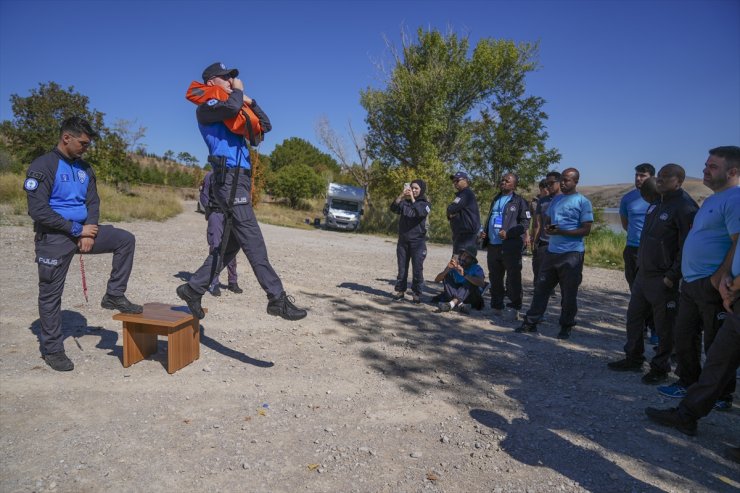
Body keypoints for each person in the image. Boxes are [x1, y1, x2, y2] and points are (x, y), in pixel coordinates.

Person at [176, 62, 306, 321]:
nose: (230, 81)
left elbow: (266, 126)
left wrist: (251, 100)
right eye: (225, 78)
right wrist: (239, 93)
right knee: (252, 237)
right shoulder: (206, 108)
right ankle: (276, 298)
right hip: (229, 179)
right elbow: (232, 106)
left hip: (241, 179)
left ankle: (192, 288)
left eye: (232, 78)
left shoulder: (232, 104)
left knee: (231, 245)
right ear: (211, 81)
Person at [24, 117, 143, 372]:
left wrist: (88, 233)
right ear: (66, 138)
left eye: (87, 144)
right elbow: (38, 210)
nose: (86, 148)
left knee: (125, 240)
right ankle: (53, 349)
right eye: (83, 143)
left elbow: (93, 203)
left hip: (84, 232)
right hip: (54, 237)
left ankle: (114, 294)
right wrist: (76, 229)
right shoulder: (43, 165)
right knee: (50, 296)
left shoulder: (85, 169)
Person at [657, 146, 739, 409]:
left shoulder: (735, 198)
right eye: (705, 165)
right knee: (684, 335)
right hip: (692, 281)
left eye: (712, 166)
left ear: (733, 171)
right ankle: (687, 382)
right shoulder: (712, 198)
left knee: (715, 344)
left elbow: (737, 242)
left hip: (712, 284)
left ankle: (721, 395)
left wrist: (721, 275)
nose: (704, 170)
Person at [644, 241, 739, 464]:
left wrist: (734, 285)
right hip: (735, 294)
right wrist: (727, 276)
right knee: (719, 358)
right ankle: (687, 415)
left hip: (735, 289)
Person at [607, 164, 698, 384]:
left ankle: (660, 367)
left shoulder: (685, 207)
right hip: (643, 274)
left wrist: (672, 275)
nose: (661, 180)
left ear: (679, 181)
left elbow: (687, 245)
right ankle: (633, 357)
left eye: (667, 177)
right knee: (634, 318)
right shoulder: (656, 203)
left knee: (664, 325)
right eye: (661, 176)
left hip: (663, 278)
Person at [517, 168, 593, 339]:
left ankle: (566, 326)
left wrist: (562, 231)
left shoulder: (582, 202)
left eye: (568, 180)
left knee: (568, 293)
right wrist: (550, 230)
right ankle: (531, 322)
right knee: (541, 289)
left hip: (572, 254)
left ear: (576, 182)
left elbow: (586, 229)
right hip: (552, 252)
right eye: (563, 180)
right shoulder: (556, 201)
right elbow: (549, 223)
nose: (564, 183)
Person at [480, 173, 530, 313]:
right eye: (502, 180)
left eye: (507, 181)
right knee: (495, 276)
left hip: (510, 246)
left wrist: (509, 233)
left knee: (513, 276)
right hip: (493, 245)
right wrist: (485, 233)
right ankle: (497, 305)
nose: (503, 182)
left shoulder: (519, 201)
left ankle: (515, 305)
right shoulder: (496, 199)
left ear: (514, 185)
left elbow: (525, 223)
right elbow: (491, 218)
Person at [620, 163, 656, 342]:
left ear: (652, 177)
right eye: (636, 175)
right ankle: (639, 326)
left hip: (653, 251)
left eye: (642, 175)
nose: (638, 178)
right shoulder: (628, 198)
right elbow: (626, 224)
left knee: (652, 290)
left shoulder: (659, 197)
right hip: (633, 248)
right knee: (635, 288)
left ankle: (655, 327)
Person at [200, 171, 242, 297]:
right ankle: (214, 283)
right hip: (216, 213)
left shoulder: (234, 175)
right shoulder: (210, 175)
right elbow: (204, 194)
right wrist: (208, 209)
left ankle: (232, 281)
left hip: (230, 215)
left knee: (231, 248)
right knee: (216, 247)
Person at [390, 180, 431, 303]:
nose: (413, 190)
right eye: (411, 188)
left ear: (421, 190)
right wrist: (402, 195)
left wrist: (413, 198)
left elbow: (420, 212)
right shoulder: (405, 203)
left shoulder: (425, 204)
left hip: (418, 242)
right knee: (402, 268)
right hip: (403, 241)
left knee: (417, 269)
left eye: (416, 188)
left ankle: (416, 293)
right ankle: (400, 291)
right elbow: (393, 208)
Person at [433, 245, 486, 313]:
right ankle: (460, 305)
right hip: (456, 295)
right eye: (463, 255)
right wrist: (447, 270)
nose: (464, 258)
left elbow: (481, 283)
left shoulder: (476, 268)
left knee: (470, 280)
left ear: (472, 260)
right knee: (447, 276)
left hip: (471, 297)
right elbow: (436, 280)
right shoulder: (454, 265)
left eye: (468, 257)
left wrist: (464, 274)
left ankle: (451, 304)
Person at [531, 171, 561, 285]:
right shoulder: (542, 201)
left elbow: (565, 223)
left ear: (560, 182)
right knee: (539, 270)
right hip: (544, 242)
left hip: (560, 243)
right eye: (547, 184)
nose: (548, 186)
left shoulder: (565, 200)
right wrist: (535, 240)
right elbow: (538, 224)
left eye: (551, 183)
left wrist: (553, 230)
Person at [446, 171, 480, 255]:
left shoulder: (466, 193)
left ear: (465, 180)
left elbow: (451, 208)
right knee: (456, 262)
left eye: (457, 180)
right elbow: (451, 210)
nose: (455, 183)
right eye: (454, 181)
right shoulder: (462, 194)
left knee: (461, 263)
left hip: (466, 236)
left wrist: (451, 211)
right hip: (461, 235)